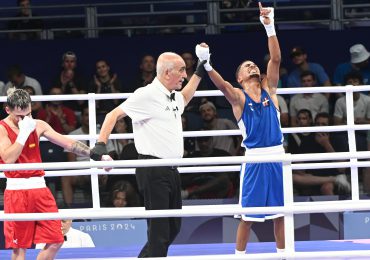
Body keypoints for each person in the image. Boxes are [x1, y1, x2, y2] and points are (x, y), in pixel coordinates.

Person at [89, 51, 205, 257]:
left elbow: (185, 97)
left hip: (171, 170)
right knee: (159, 232)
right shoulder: (146, 94)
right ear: (167, 72)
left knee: (172, 228)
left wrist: (200, 69)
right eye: (181, 71)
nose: (184, 76)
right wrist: (100, 145)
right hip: (153, 170)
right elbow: (113, 114)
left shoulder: (173, 96)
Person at [195, 2, 285, 255]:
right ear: (240, 78)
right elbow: (222, 86)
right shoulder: (239, 98)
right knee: (247, 217)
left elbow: (276, 59)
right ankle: (239, 256)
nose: (253, 66)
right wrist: (207, 63)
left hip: (278, 156)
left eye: (254, 64)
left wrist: (269, 27)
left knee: (281, 214)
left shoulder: (270, 91)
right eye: (247, 66)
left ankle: (284, 256)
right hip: (255, 160)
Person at [0, 89, 111, 260]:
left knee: (56, 239)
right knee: (19, 248)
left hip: (40, 190)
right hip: (17, 192)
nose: (24, 120)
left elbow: (68, 143)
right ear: (8, 110)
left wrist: (97, 155)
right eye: (19, 116)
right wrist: (22, 134)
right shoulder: (2, 128)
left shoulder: (38, 125)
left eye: (28, 114)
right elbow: (8, 159)